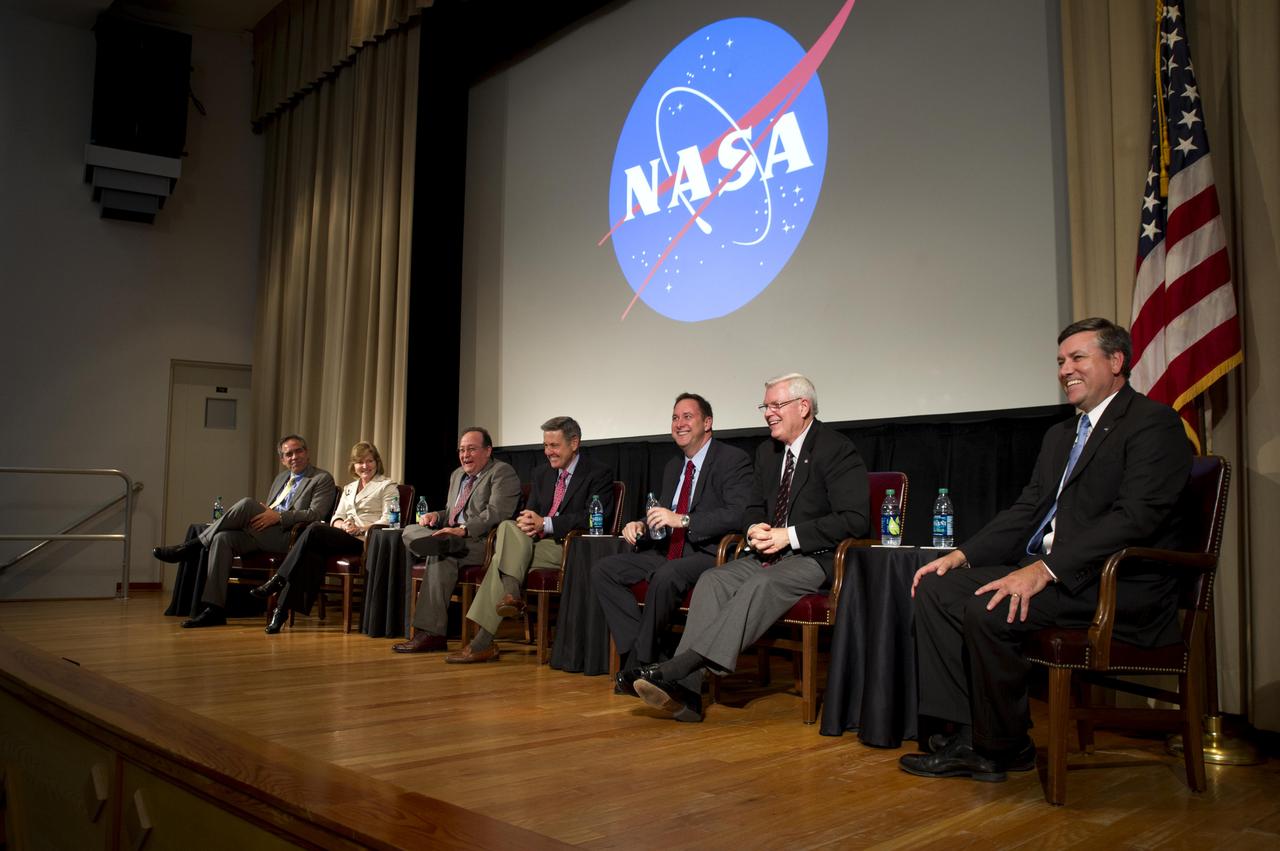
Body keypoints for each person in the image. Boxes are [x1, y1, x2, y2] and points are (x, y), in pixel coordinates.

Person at [900, 317, 1192, 783]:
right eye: (1060, 361)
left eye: (1078, 358)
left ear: (1116, 362)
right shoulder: (1061, 435)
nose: (1065, 370)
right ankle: (966, 733)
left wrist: (1045, 570)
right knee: (938, 589)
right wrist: (964, 555)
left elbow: (1136, 518)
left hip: (1112, 584)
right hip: (1059, 575)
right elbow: (1028, 509)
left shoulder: (1152, 424)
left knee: (989, 608)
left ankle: (1000, 746)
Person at [621, 374, 869, 720]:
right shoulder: (767, 454)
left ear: (803, 406)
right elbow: (751, 508)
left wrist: (790, 535)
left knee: (759, 584)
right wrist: (754, 527)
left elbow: (854, 520)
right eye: (765, 406)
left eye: (775, 405)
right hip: (767, 553)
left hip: (816, 557)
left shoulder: (836, 449)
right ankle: (690, 696)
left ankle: (683, 666)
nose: (768, 413)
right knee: (713, 580)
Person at [593, 393, 752, 684]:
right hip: (668, 549)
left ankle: (639, 666)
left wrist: (683, 520)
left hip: (708, 553)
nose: (679, 424)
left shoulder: (731, 460)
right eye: (675, 417)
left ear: (708, 422)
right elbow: (664, 512)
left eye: (687, 417)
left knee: (666, 576)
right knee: (604, 570)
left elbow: (738, 514)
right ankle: (645, 655)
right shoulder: (673, 466)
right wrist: (640, 524)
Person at [444, 416, 614, 664]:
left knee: (502, 558)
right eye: (545, 446)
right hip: (533, 542)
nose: (548, 452)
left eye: (554, 446)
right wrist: (527, 521)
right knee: (508, 526)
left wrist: (545, 523)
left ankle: (485, 639)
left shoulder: (598, 472)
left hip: (567, 547)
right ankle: (509, 596)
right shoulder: (542, 473)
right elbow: (529, 512)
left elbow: (593, 517)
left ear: (574, 442)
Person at [154, 434, 337, 628]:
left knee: (247, 504)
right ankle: (214, 610)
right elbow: (271, 508)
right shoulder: (281, 478)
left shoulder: (321, 478)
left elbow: (317, 515)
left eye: (298, 451)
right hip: (266, 533)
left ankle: (192, 546)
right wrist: (269, 512)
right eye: (288, 454)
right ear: (282, 460)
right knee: (222, 538)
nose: (294, 457)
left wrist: (279, 517)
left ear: (307, 453)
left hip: (291, 537)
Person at [391, 427, 521, 653]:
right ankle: (439, 542)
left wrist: (463, 530)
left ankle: (431, 634)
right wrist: (437, 516)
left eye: (471, 449)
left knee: (440, 551)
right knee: (409, 530)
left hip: (480, 542)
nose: (465, 455)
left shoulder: (502, 472)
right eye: (461, 450)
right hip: (452, 537)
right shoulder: (457, 475)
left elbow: (497, 513)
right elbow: (452, 511)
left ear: (488, 450)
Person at [250, 441, 398, 634]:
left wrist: (360, 528)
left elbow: (389, 520)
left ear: (376, 462)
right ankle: (281, 612)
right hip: (344, 535)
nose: (365, 466)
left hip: (366, 540)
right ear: (354, 466)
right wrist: (342, 524)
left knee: (313, 529)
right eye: (360, 462)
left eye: (369, 461)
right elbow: (337, 516)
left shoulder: (387, 485)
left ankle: (279, 579)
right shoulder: (349, 488)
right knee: (310, 554)